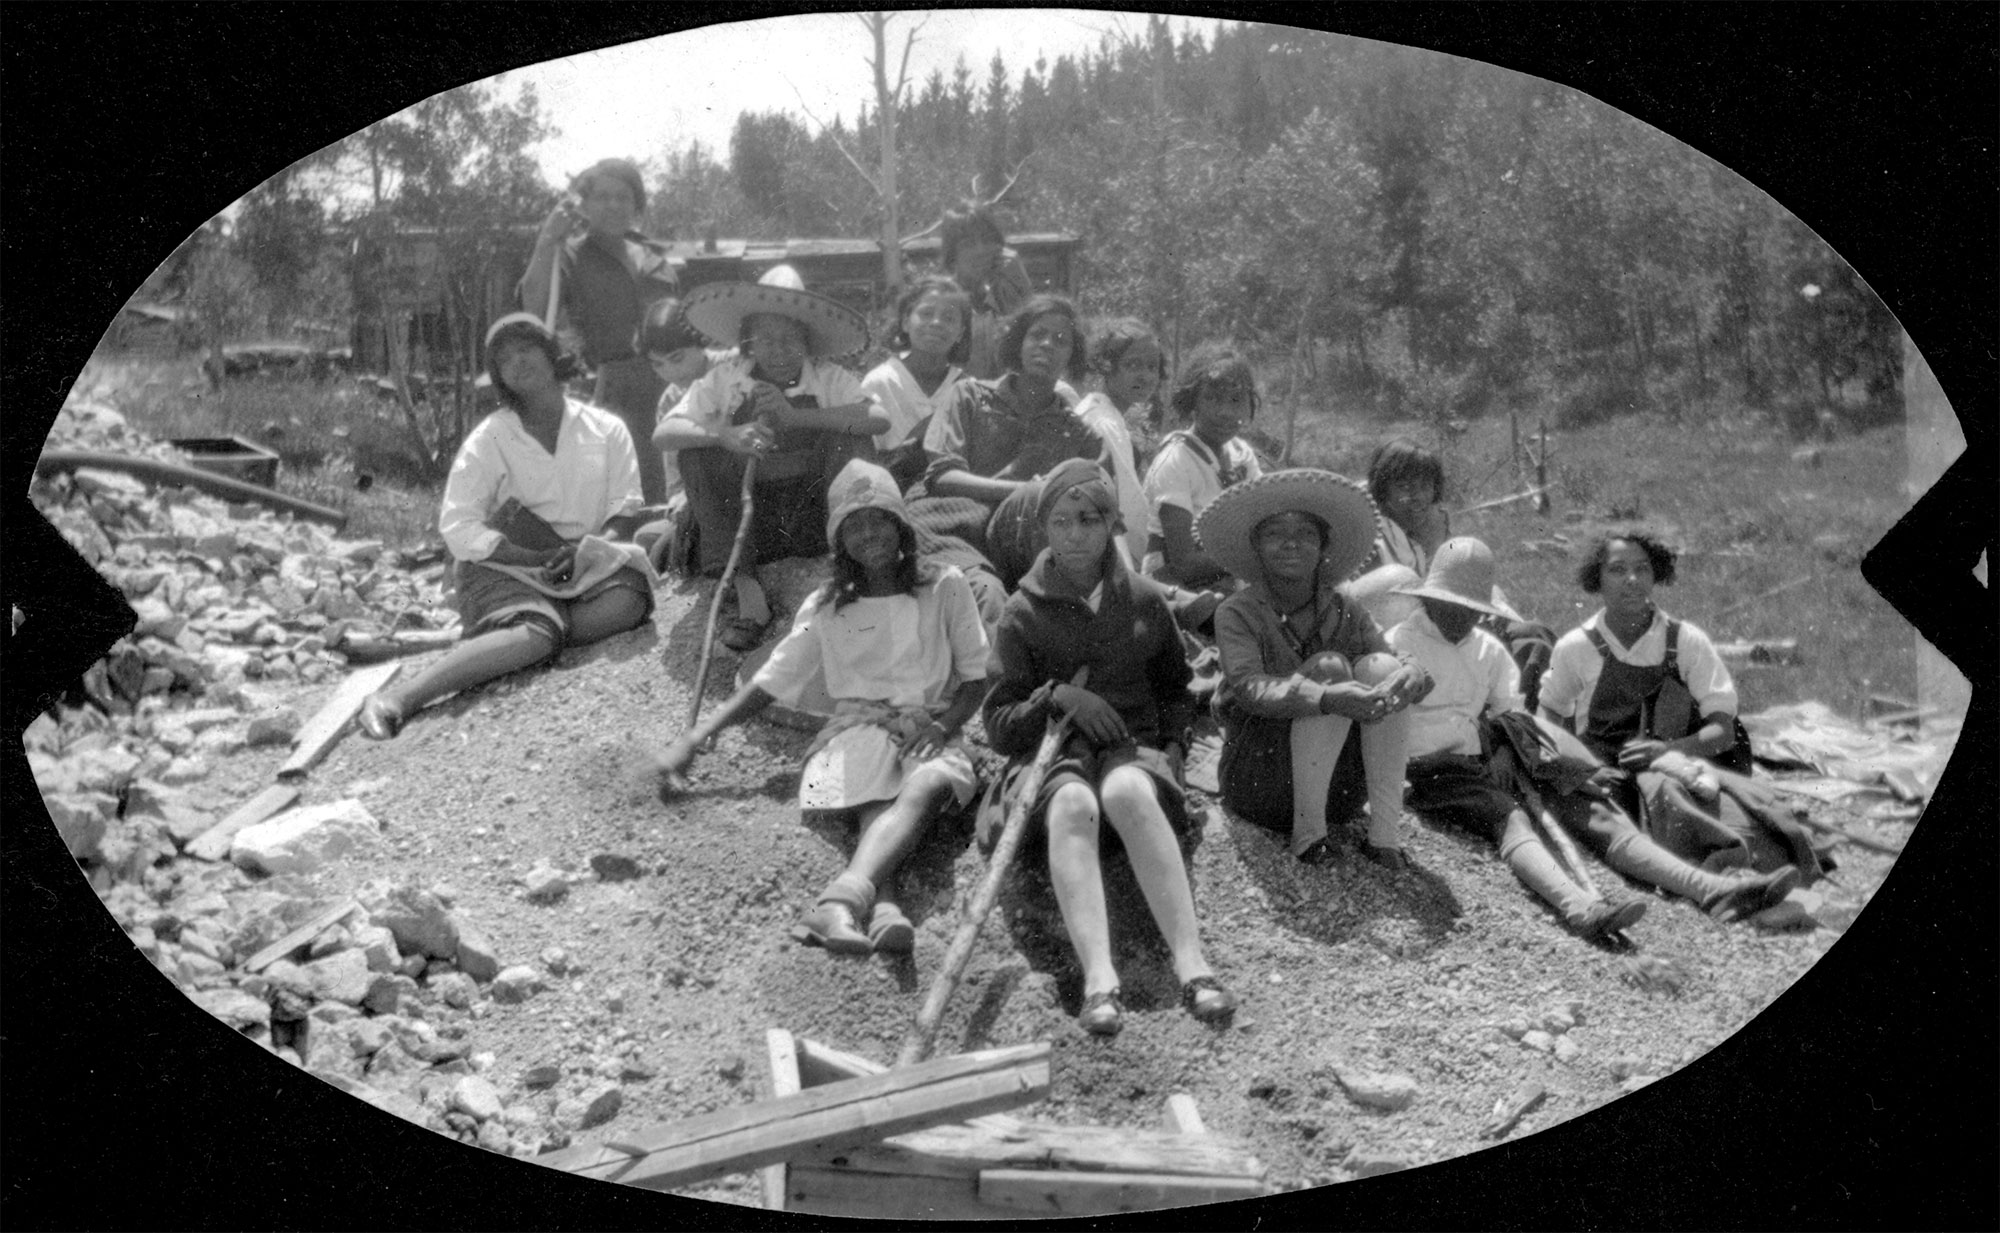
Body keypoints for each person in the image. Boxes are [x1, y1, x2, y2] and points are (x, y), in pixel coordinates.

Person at [654, 460, 990, 954]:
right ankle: (874, 903)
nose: (869, 535)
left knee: (923, 783)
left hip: (927, 731)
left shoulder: (944, 586)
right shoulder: (828, 605)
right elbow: (772, 680)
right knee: (879, 781)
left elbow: (976, 677)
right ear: (837, 540)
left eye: (879, 520)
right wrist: (696, 738)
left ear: (901, 526)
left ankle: (847, 901)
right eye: (853, 526)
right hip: (851, 735)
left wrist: (943, 726)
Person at [1388, 538, 1799, 930]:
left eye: (1475, 609)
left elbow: (1514, 716)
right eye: (1456, 607)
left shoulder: (1487, 650)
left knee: (1591, 805)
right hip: (1430, 770)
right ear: (1431, 599)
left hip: (1489, 756)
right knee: (1511, 818)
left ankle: (1712, 889)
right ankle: (1579, 906)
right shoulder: (1399, 644)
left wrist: (1550, 761)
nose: (1467, 618)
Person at [983, 459, 1236, 1036]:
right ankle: (1100, 979)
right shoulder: (1022, 613)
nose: (1076, 535)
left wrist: (1171, 746)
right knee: (1074, 805)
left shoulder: (1144, 600)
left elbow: (1177, 690)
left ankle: (1192, 965)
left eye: (1090, 520)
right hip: (1055, 757)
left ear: (1112, 525)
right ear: (1043, 528)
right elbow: (999, 723)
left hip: (1131, 748)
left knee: (1126, 789)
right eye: (1062, 521)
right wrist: (1058, 696)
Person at [358, 313, 653, 739]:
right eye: (504, 359)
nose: (517, 362)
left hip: (583, 561)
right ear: (498, 377)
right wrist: (527, 558)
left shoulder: (607, 430)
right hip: (504, 566)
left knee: (629, 603)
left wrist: (587, 551)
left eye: (526, 349)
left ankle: (522, 639)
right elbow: (458, 525)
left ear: (553, 357)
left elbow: (624, 510)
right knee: (537, 633)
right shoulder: (490, 438)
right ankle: (400, 698)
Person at [1539, 531, 1829, 876]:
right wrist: (1567, 764)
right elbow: (1550, 710)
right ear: (1597, 580)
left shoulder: (1686, 641)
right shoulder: (1576, 647)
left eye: (1642, 569)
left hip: (1676, 765)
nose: (1632, 581)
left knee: (1734, 813)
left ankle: (1729, 867)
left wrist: (1666, 751)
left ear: (1655, 575)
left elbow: (1723, 731)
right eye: (1617, 570)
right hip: (1606, 774)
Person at [654, 265, 889, 652]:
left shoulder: (828, 377)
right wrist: (725, 435)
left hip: (814, 516)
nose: (778, 351)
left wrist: (797, 417)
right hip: (754, 524)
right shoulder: (726, 379)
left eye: (790, 340)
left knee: (853, 441)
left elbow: (879, 419)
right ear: (748, 342)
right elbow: (664, 434)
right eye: (766, 339)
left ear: (807, 342)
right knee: (696, 455)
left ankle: (854, 571)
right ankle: (749, 596)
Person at [1201, 470, 1428, 867]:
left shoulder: (1343, 607)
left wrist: (1411, 673)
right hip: (1262, 780)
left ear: (1323, 546)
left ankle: (1384, 834)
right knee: (1329, 668)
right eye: (1275, 534)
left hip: (1338, 789)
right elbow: (1249, 687)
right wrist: (1324, 697)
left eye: (1305, 534)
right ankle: (1308, 836)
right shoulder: (1237, 611)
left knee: (1384, 666)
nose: (1291, 543)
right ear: (1256, 545)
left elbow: (1385, 652)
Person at [905, 294, 1114, 623]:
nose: (1046, 345)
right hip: (950, 527)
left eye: (1061, 340)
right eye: (1037, 335)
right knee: (989, 595)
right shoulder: (970, 396)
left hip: (1016, 546)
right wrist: (1027, 490)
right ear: (1019, 342)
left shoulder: (1079, 434)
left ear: (1072, 355)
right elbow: (942, 477)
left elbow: (1106, 519)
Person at [518, 158, 680, 505]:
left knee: (669, 491)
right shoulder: (570, 254)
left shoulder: (656, 259)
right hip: (611, 392)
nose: (613, 205)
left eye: (623, 197)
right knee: (620, 495)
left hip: (666, 387)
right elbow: (533, 304)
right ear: (584, 205)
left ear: (636, 205)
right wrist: (547, 239)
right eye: (602, 197)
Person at [1349, 438, 1557, 708]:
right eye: (1404, 486)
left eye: (1425, 486)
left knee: (1535, 635)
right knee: (1530, 644)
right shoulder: (1372, 540)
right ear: (1382, 491)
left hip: (1446, 625)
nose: (1417, 497)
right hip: (1414, 640)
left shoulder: (1414, 536)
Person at [1140, 344, 1266, 616]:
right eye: (1213, 399)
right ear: (1192, 401)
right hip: (1178, 587)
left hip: (1229, 575)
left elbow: (1265, 516)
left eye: (1236, 400)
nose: (1225, 412)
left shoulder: (1242, 455)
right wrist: (1253, 557)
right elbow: (1184, 561)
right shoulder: (1177, 460)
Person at [859, 275, 972, 492]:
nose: (936, 323)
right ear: (905, 321)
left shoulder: (967, 389)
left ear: (960, 333)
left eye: (949, 318)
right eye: (926, 313)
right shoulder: (880, 382)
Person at [1073, 318, 1166, 568]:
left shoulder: (1106, 414)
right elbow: (1130, 511)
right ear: (1107, 366)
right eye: (1133, 365)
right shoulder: (1104, 423)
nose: (1145, 376)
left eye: (1152, 367)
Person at [937, 201, 1035, 380]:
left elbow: (1034, 348)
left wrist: (1022, 283)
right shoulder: (940, 301)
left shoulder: (1005, 296)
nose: (980, 250)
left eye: (987, 240)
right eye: (968, 244)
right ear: (952, 254)